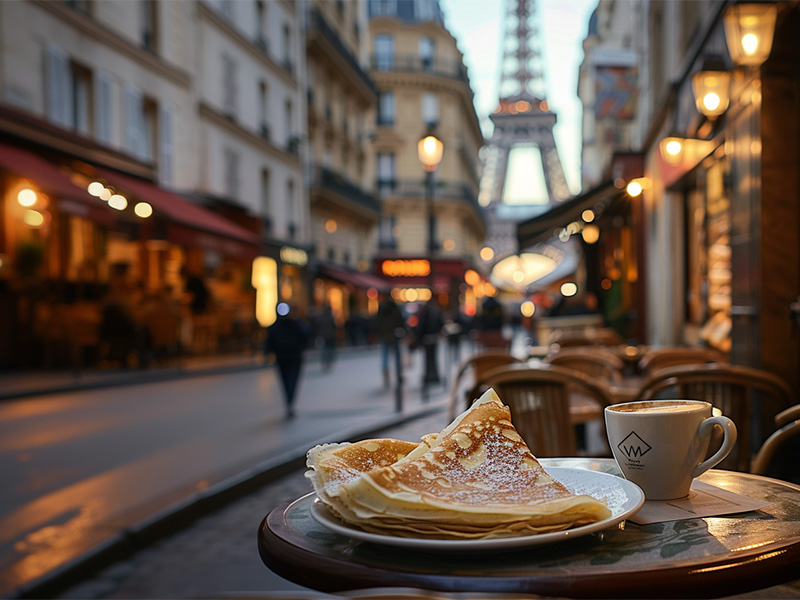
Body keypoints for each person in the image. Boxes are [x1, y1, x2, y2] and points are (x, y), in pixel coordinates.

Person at [264, 306, 309, 419]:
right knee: (291, 381)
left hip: (283, 357)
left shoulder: (276, 326)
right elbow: (305, 337)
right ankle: (290, 402)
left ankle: (289, 402)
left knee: (286, 381)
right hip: (293, 357)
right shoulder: (295, 325)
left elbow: (269, 342)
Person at [375, 295, 406, 389]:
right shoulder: (395, 308)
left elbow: (377, 322)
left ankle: (385, 371)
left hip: (384, 336)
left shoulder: (381, 309)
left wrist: (378, 333)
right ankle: (399, 374)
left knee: (385, 356)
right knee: (397, 357)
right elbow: (401, 322)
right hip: (394, 336)